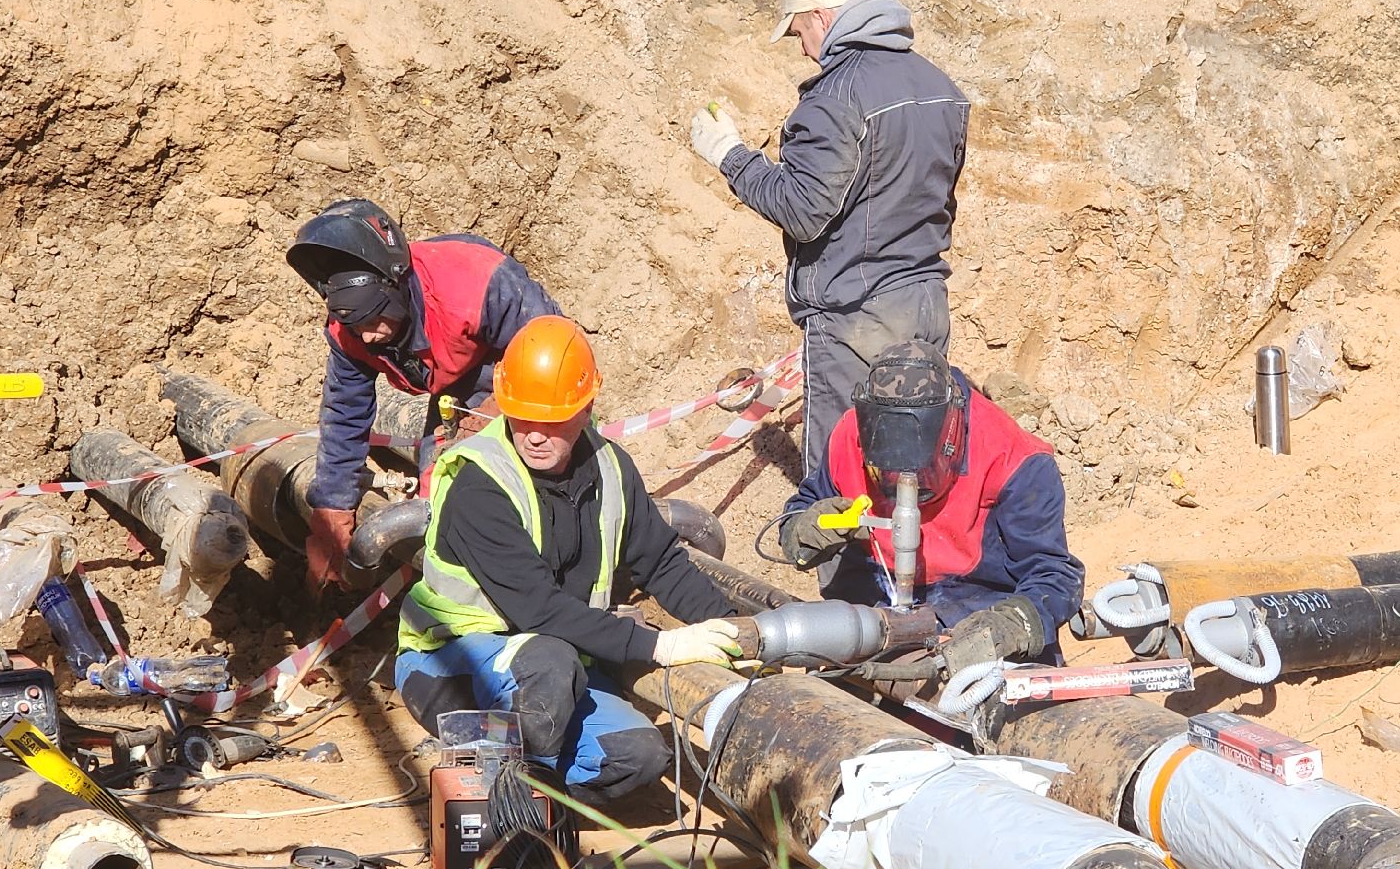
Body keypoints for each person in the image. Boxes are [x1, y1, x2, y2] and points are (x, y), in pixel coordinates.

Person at [393, 315, 744, 804]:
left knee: (638, 757)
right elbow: (539, 610)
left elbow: (662, 561)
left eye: (552, 420)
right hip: (450, 666)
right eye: (522, 417)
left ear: (586, 409)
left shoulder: (612, 468)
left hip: (553, 671)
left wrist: (735, 630)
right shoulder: (480, 484)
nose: (535, 435)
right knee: (549, 661)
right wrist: (661, 646)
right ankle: (502, 804)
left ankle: (536, 793)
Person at [689, 0, 968, 478]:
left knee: (839, 485)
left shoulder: (836, 97)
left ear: (821, 16)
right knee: (913, 474)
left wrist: (730, 155)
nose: (802, 48)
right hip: (926, 304)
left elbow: (802, 210)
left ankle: (848, 537)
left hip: (854, 319)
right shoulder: (941, 87)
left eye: (799, 32)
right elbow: (940, 200)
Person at [286, 198, 562, 595]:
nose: (368, 336)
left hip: (531, 376)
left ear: (395, 285)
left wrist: (489, 417)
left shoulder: (475, 282)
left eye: (374, 318)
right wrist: (331, 509)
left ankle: (549, 577)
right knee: (440, 490)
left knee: (522, 479)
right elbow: (345, 413)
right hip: (455, 387)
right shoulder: (350, 333)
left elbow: (554, 348)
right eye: (356, 325)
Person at [775, 341, 1082, 667]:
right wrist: (804, 530)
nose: (905, 484)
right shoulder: (849, 437)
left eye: (922, 470)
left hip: (978, 614)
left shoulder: (1012, 459)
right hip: (876, 614)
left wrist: (1012, 624)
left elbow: (1054, 575)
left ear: (952, 438)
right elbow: (801, 512)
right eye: (887, 470)